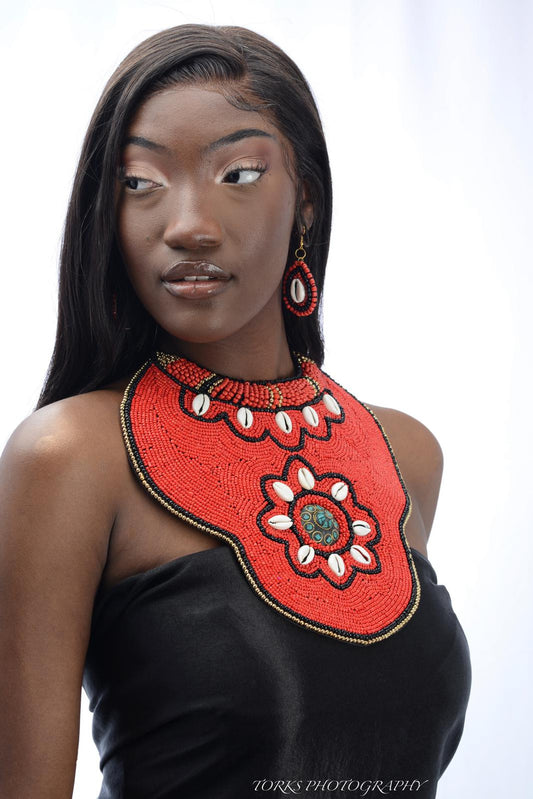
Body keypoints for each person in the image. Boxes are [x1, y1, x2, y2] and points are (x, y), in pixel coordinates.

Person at [0, 23, 471, 799]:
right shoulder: (71, 458)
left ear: (306, 202)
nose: (186, 223)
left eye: (239, 173)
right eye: (140, 182)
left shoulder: (404, 453)